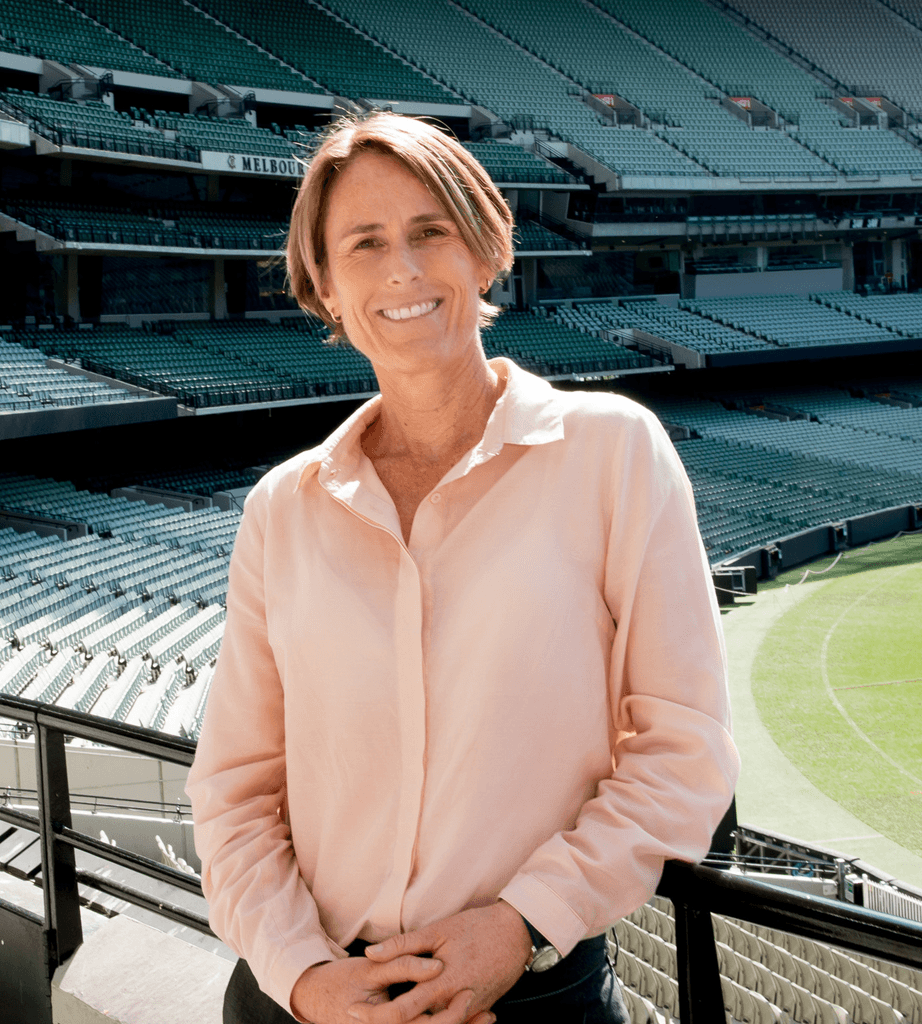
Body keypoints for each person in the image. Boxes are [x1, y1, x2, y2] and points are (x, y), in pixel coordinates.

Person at [184, 113, 739, 1024]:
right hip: (302, 999)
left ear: (484, 251)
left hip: (526, 992)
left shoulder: (613, 452)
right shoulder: (282, 511)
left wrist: (524, 922)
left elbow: (684, 747)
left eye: (430, 231)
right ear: (323, 285)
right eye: (363, 243)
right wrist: (305, 976)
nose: (401, 268)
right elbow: (236, 794)